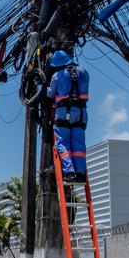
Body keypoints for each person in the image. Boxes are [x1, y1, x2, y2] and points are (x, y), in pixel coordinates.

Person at [46, 50, 90, 183]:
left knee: (63, 143)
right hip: (81, 113)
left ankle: (69, 173)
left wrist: (46, 86)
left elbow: (49, 94)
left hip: (64, 112)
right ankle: (80, 174)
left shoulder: (57, 75)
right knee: (78, 144)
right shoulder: (84, 72)